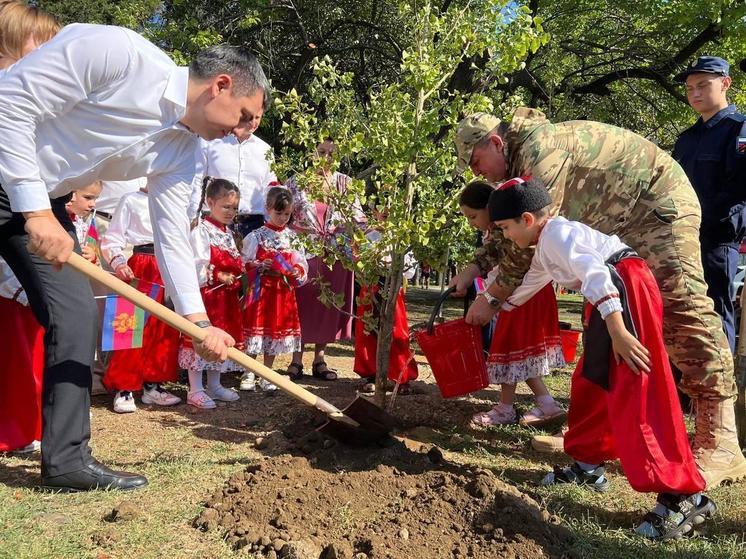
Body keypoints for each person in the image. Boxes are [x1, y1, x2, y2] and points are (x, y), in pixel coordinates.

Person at [0, 20, 269, 491]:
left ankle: (66, 461)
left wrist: (198, 321)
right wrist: (37, 213)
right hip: (24, 189)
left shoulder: (183, 151)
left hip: (43, 202)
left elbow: (170, 236)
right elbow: (9, 102)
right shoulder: (116, 53)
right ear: (220, 86)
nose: (245, 130)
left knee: (76, 314)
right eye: (245, 115)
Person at [452, 109, 746, 487]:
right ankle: (600, 442)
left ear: (495, 142)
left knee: (683, 314)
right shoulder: (520, 161)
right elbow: (515, 230)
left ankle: (720, 441)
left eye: (476, 162)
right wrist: (477, 269)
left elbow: (529, 239)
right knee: (602, 347)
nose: (478, 173)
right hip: (619, 232)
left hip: (655, 209)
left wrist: (491, 298)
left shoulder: (541, 150)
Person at [490, 176, 715, 540]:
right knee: (592, 380)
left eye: (504, 228)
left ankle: (684, 494)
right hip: (611, 297)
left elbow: (596, 275)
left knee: (637, 388)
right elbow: (534, 279)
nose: (503, 235)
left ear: (527, 220)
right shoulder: (546, 242)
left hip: (622, 290)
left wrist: (619, 330)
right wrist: (493, 304)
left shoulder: (558, 236)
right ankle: (587, 464)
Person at [459, 180, 565, 426]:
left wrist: (490, 297)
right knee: (516, 353)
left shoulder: (513, 231)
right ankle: (545, 403)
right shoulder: (501, 231)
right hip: (523, 294)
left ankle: (507, 409)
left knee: (508, 350)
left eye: (473, 216)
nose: (471, 223)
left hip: (521, 296)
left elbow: (511, 264)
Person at [673, 56, 746, 353]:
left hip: (715, 241)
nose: (695, 93)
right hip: (677, 240)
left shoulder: (738, 129)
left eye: (703, 85)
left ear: (725, 83)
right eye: (690, 88)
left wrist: (697, 218)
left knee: (714, 315)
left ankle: (719, 394)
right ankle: (685, 394)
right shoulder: (687, 139)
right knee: (680, 315)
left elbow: (738, 189)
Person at [286, 138, 366, 382]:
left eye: (332, 152)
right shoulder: (295, 181)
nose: (326, 157)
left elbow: (357, 217)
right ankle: (295, 360)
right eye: (321, 151)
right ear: (312, 151)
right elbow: (284, 215)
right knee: (301, 304)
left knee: (328, 305)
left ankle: (320, 358)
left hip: (335, 252)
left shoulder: (346, 182)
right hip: (304, 249)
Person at [100, 186, 182, 413]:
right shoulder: (131, 199)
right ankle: (123, 387)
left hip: (168, 265)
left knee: (163, 329)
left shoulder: (176, 199)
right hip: (141, 267)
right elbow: (112, 237)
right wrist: (118, 262)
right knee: (129, 326)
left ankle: (152, 384)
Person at [180, 178, 244, 409]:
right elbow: (195, 264)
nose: (230, 212)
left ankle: (214, 384)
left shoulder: (227, 232)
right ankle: (195, 388)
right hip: (207, 297)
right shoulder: (202, 231)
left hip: (225, 298)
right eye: (226, 207)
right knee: (202, 338)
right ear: (210, 202)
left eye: (234, 208)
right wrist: (217, 275)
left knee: (221, 339)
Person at [242, 186, 307, 390]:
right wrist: (258, 265)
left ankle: (267, 373)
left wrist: (296, 270)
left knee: (274, 332)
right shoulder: (256, 236)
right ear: (267, 209)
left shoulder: (293, 238)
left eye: (286, 214)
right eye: (278, 213)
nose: (282, 218)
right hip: (261, 292)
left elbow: (301, 262)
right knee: (256, 331)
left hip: (282, 293)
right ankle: (249, 372)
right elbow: (243, 262)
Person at [187, 95, 276, 236]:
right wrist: (193, 216)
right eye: (249, 117)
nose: (253, 123)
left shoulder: (265, 150)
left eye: (258, 118)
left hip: (253, 225)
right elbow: (196, 180)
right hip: (214, 222)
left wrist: (271, 225)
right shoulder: (210, 141)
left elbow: (269, 189)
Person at [354, 222, 419, 394]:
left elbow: (410, 270)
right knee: (368, 332)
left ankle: (401, 376)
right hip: (370, 289)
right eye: (381, 206)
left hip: (392, 290)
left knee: (397, 333)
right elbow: (357, 265)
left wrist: (393, 266)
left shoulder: (400, 239)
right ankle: (372, 375)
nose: (385, 212)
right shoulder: (366, 237)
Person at [0, 257, 42, 454]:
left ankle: (33, 427)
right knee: (16, 366)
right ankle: (14, 432)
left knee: (36, 362)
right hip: (13, 293)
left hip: (38, 288)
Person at [65, 181, 102, 264]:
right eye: (88, 197)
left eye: (95, 199)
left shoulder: (80, 222)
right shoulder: (56, 219)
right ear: (71, 194)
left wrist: (92, 255)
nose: (93, 204)